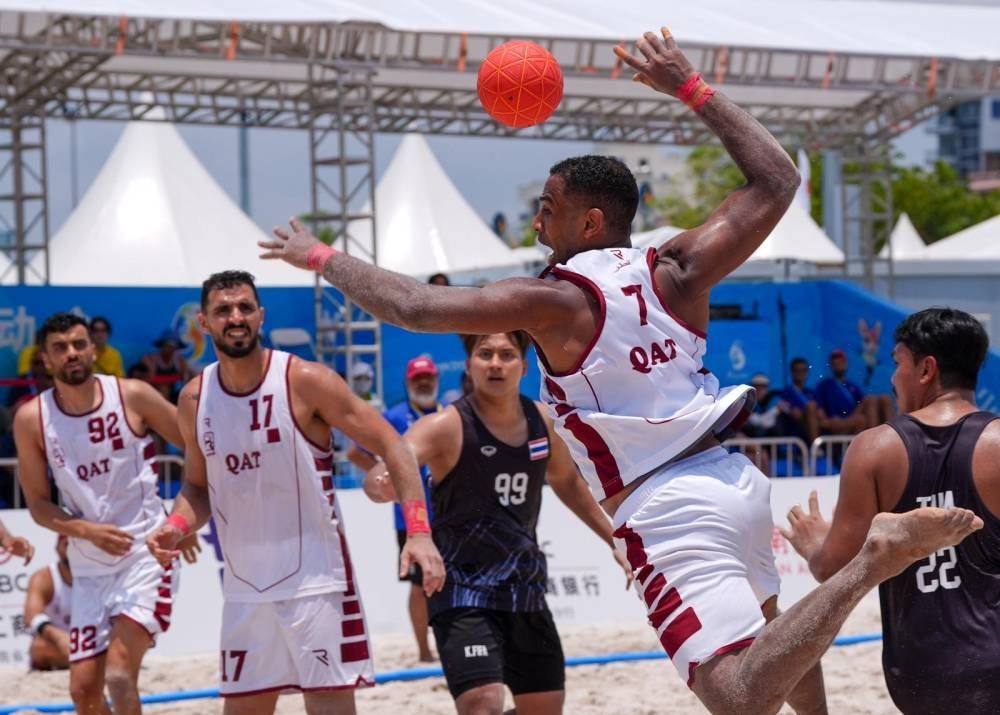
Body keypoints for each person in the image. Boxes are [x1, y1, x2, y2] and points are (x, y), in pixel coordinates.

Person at [261, 27, 982, 713]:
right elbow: (778, 178)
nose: (537, 223)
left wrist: (321, 257)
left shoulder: (557, 300)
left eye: (548, 210)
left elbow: (417, 306)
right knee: (776, 638)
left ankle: (870, 561)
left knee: (736, 694)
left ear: (589, 223)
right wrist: (691, 87)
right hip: (733, 479)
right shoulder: (677, 266)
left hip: (665, 503)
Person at [145, 270, 444, 715]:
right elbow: (197, 486)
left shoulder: (304, 379)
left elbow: (393, 445)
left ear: (261, 316)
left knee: (328, 707)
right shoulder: (194, 398)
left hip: (316, 583)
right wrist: (175, 523)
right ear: (203, 323)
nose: (236, 317)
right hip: (245, 588)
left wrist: (418, 530)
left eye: (245, 307)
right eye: (223, 310)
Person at [365, 331, 629, 715]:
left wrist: (614, 541)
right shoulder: (446, 426)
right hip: (461, 589)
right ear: (468, 365)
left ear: (524, 367)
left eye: (506, 355)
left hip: (524, 588)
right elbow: (385, 470)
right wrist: (381, 484)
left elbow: (568, 483)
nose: (495, 363)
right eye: (484, 353)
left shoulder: (542, 422)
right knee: (482, 702)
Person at [781, 308, 1000, 714]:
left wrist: (814, 546)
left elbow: (834, 569)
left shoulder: (874, 449)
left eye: (898, 363)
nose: (893, 378)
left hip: (921, 676)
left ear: (926, 369)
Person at [13, 312, 187, 715]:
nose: (71, 353)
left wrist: (185, 519)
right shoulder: (32, 419)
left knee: (120, 675)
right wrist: (86, 531)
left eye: (79, 344)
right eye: (60, 348)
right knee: (83, 693)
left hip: (145, 554)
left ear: (94, 349)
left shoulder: (132, 395)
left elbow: (196, 445)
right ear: (45, 359)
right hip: (89, 567)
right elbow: (37, 504)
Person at [347, 355, 442, 663]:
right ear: (407, 382)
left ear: (437, 379)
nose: (423, 382)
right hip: (411, 517)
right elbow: (355, 453)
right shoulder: (394, 416)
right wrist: (389, 480)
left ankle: (449, 645)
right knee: (419, 584)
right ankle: (424, 651)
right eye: (417, 378)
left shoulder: (448, 414)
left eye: (428, 377)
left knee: (451, 582)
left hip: (451, 514)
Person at [814, 349, 893, 435]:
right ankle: (874, 437)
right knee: (867, 404)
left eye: (841, 362)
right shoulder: (824, 386)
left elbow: (866, 409)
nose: (839, 364)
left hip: (851, 424)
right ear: (831, 365)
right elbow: (820, 413)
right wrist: (828, 422)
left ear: (846, 363)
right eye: (836, 362)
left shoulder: (853, 387)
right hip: (835, 426)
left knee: (884, 399)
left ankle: (889, 435)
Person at [25, 535, 73, 671]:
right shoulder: (44, 577)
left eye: (76, 545)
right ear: (57, 548)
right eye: (67, 544)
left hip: (90, 640)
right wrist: (58, 636)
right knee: (38, 647)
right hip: (57, 644)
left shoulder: (98, 577)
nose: (72, 549)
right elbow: (32, 617)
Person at [779, 357, 820, 444]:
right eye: (797, 370)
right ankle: (816, 446)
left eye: (803, 370)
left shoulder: (811, 392)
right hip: (795, 432)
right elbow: (789, 411)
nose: (800, 373)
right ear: (792, 372)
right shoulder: (786, 392)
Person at [143, 330, 190, 404]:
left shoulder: (179, 360)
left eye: (175, 345)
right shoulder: (150, 359)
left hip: (174, 393)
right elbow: (149, 379)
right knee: (163, 389)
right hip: (154, 393)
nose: (172, 348)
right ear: (162, 345)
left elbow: (185, 378)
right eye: (169, 344)